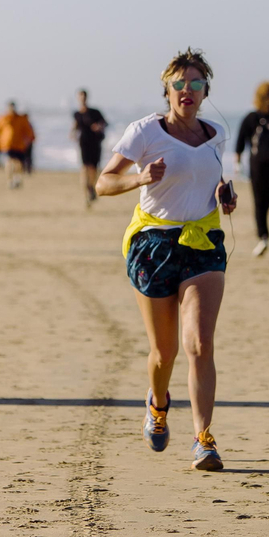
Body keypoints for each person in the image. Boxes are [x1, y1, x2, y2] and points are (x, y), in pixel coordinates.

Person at [97, 49, 237, 472]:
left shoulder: (216, 135)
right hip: (153, 244)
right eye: (179, 84)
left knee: (199, 343)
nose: (187, 91)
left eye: (196, 84)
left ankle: (203, 439)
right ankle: (157, 404)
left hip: (203, 242)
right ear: (167, 90)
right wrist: (140, 178)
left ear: (206, 90)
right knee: (164, 352)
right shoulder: (144, 132)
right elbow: (103, 183)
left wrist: (224, 199)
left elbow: (206, 184)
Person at [237, 82, 269, 257]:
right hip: (258, 168)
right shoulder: (252, 118)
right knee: (261, 204)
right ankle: (264, 238)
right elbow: (240, 142)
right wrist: (238, 165)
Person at [72, 90, 108, 208]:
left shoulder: (95, 112)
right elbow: (75, 126)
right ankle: (86, 194)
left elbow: (105, 123)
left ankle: (91, 187)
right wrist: (72, 133)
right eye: (80, 96)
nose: (82, 98)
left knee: (93, 168)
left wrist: (98, 126)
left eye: (84, 96)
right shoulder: (77, 114)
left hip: (95, 142)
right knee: (84, 168)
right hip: (83, 143)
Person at [0, 102, 36, 189]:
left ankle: (17, 178)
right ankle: (10, 180)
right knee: (9, 162)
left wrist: (31, 138)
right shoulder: (3, 119)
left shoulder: (21, 119)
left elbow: (28, 130)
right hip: (7, 144)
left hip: (19, 144)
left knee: (18, 163)